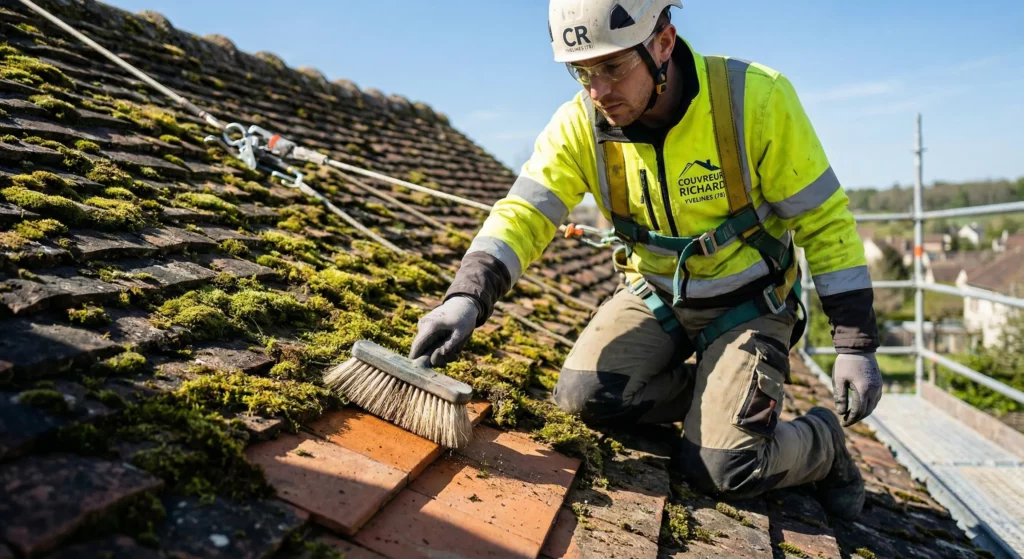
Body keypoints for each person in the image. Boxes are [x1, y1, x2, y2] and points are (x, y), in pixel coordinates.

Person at [409, 0, 881, 520]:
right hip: (658, 295)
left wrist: (855, 343)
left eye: (612, 67)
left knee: (724, 467)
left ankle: (822, 441)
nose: (598, 91)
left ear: (663, 42)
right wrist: (465, 299)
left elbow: (825, 220)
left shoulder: (755, 100)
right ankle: (719, 396)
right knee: (583, 396)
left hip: (750, 305)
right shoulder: (579, 125)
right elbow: (524, 212)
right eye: (581, 72)